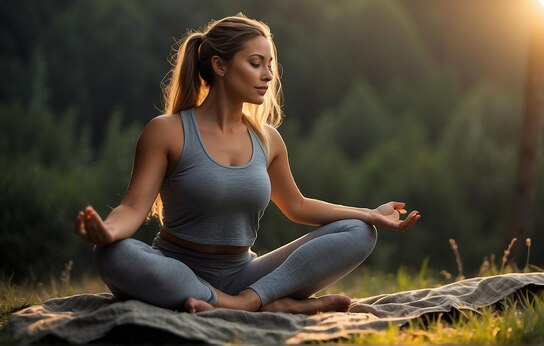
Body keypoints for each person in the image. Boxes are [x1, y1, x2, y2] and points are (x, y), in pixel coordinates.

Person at [74, 14, 420, 315]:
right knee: (111, 254)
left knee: (360, 233)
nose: (267, 75)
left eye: (270, 64)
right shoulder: (167, 131)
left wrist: (367, 214)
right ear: (220, 65)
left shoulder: (268, 139)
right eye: (256, 63)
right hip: (172, 269)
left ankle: (247, 302)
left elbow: (297, 206)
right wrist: (109, 232)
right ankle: (261, 304)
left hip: (244, 276)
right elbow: (134, 207)